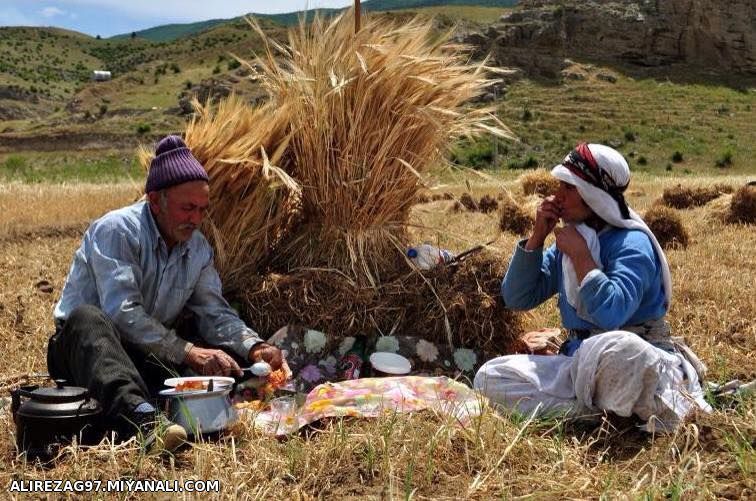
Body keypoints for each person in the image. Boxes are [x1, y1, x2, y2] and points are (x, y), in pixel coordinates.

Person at [48, 135, 284, 452]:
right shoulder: (117, 230)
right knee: (87, 318)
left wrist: (254, 347)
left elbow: (214, 313)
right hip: (82, 348)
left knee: (202, 370)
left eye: (202, 210)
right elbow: (123, 313)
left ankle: (156, 412)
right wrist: (188, 351)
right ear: (155, 200)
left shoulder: (197, 249)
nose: (195, 219)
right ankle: (145, 422)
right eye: (187, 208)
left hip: (142, 351)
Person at [474, 143, 711, 432]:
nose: (558, 195)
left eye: (569, 187)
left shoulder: (632, 244)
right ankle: (596, 415)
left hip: (633, 364)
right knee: (489, 376)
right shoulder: (570, 242)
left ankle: (618, 409)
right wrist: (537, 237)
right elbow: (516, 297)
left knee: (619, 348)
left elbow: (612, 315)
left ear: (593, 195)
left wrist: (582, 257)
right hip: (579, 365)